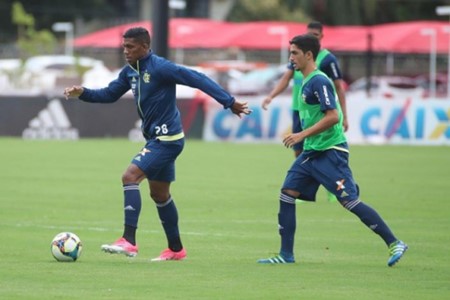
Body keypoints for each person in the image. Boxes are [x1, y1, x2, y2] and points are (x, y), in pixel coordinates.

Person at [64, 27, 251, 261]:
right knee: (160, 194)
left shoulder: (161, 67)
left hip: (167, 139)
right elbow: (110, 94)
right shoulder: (130, 72)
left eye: (130, 47)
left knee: (129, 177)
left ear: (144, 46)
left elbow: (198, 79)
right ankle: (175, 249)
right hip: (156, 138)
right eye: (124, 46)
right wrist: (83, 93)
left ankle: (128, 241)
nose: (125, 51)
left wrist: (229, 102)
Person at [257, 34, 407, 267]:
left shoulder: (320, 81)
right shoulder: (305, 81)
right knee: (287, 193)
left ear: (308, 55)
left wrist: (301, 134)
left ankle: (395, 242)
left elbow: (333, 116)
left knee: (349, 201)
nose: (291, 58)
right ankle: (286, 255)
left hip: (330, 151)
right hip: (311, 152)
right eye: (290, 53)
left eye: (295, 53)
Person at [262, 21, 347, 202]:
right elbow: (286, 78)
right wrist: (271, 96)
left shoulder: (326, 60)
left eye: (315, 35)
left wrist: (344, 116)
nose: (312, 37)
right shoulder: (297, 55)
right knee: (298, 150)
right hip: (299, 110)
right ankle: (300, 187)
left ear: (321, 37)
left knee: (320, 150)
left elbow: (338, 87)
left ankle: (333, 187)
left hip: (319, 112)